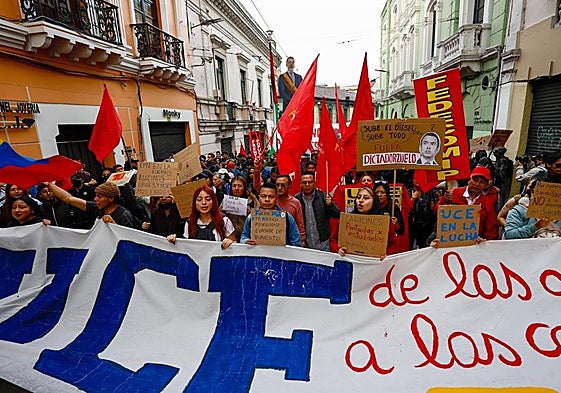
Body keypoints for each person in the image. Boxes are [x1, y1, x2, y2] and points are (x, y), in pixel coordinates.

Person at [434, 166, 499, 240]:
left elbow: (491, 229)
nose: (477, 184)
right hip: (448, 240)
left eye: (482, 182)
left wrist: (484, 242)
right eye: (475, 180)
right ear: (469, 180)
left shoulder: (487, 203)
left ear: (486, 186)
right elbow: (436, 212)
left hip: (473, 245)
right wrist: (444, 200)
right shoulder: (453, 193)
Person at [337, 186, 397, 258]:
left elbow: (393, 244)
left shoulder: (384, 222)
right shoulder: (347, 219)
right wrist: (338, 249)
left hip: (374, 264)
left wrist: (386, 254)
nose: (361, 200)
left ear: (374, 201)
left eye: (366, 198)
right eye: (359, 197)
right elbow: (333, 239)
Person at [168, 186, 235, 249]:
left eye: (208, 199)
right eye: (199, 200)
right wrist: (173, 241)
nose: (203, 203)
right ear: (194, 203)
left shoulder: (224, 220)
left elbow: (235, 244)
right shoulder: (189, 223)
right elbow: (185, 247)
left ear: (214, 202)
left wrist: (230, 242)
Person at [46, 181, 136, 228]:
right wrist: (48, 184)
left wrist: (113, 224)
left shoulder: (124, 215)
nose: (95, 199)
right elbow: (69, 199)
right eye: (96, 196)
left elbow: (128, 239)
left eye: (99, 197)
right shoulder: (96, 208)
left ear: (111, 198)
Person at [295, 171, 340, 251]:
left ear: (314, 183)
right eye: (304, 182)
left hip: (323, 244)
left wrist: (330, 205)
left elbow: (337, 214)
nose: (307, 185)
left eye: (310, 182)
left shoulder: (323, 196)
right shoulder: (296, 200)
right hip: (305, 246)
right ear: (300, 184)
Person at [222, 176, 258, 242]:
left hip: (247, 237)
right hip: (230, 236)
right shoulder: (226, 201)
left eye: (240, 186)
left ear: (244, 187)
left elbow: (259, 218)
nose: (236, 188)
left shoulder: (252, 201)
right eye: (234, 186)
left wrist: (250, 214)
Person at [275, 175, 306, 245]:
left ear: (289, 186)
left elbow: (300, 224)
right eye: (277, 185)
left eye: (283, 185)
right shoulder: (271, 200)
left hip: (290, 241)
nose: (279, 188)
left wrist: (302, 240)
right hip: (272, 240)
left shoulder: (296, 203)